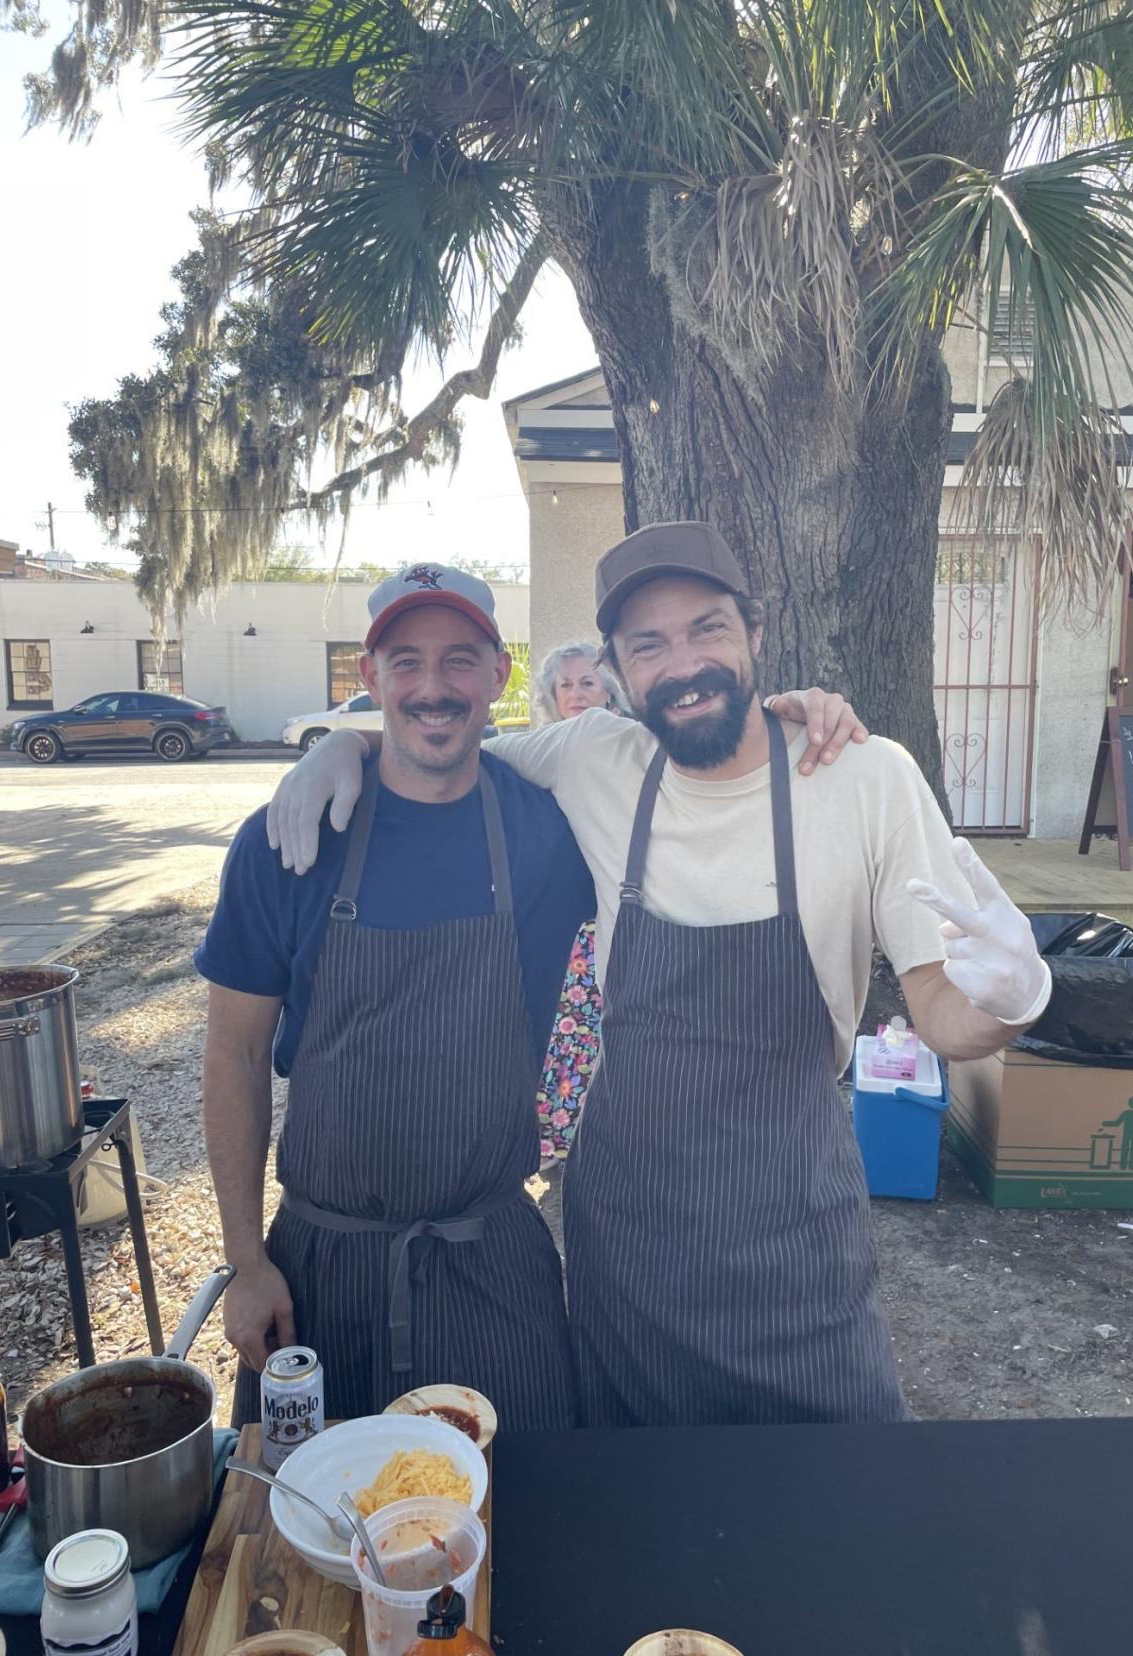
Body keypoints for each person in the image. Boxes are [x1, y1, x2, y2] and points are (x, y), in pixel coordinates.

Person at [268, 524, 1046, 1429]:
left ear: (757, 633)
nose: (684, 665)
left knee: (843, 1510)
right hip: (626, 1253)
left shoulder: (864, 777)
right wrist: (347, 748)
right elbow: (441, 748)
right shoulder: (597, 758)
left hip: (796, 1248)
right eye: (650, 645)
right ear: (617, 670)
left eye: (707, 630)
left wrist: (1008, 1002)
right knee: (641, 1524)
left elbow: (943, 1009)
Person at [198, 558, 858, 1430]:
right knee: (307, 1542)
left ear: (501, 675)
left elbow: (703, 767)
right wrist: (247, 1263)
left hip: (496, 1265)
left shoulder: (552, 826)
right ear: (370, 678)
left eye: (460, 660)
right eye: (406, 663)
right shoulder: (291, 841)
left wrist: (788, 715)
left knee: (532, 1530)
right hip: (323, 1269)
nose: (434, 688)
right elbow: (233, 1054)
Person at [532, 642, 622, 1160]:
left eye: (586, 681)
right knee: (562, 1033)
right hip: (561, 913)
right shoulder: (541, 747)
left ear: (611, 689)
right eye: (564, 685)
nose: (575, 693)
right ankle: (557, 1141)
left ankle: (595, 1136)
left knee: (601, 1034)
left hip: (615, 910)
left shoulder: (635, 743)